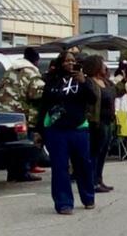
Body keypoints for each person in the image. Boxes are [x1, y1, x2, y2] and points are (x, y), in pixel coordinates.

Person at [35, 50, 96, 215]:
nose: (70, 63)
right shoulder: (52, 81)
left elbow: (93, 99)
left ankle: (88, 197)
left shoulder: (82, 80)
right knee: (60, 167)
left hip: (78, 128)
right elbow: (44, 107)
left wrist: (83, 82)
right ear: (60, 63)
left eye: (73, 61)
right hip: (57, 130)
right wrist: (39, 130)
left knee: (83, 164)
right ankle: (64, 203)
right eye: (67, 61)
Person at [0, 46, 47, 182]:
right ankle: (22, 172)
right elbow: (36, 93)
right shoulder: (30, 72)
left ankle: (12, 172)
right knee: (25, 142)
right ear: (36, 61)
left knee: (13, 144)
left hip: (5, 111)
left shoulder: (10, 70)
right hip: (21, 112)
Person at [83, 56, 117, 193]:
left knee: (103, 152)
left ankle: (99, 179)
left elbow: (116, 92)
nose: (105, 67)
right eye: (103, 65)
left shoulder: (106, 82)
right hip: (97, 122)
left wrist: (125, 79)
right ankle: (92, 181)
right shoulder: (90, 82)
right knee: (95, 152)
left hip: (108, 121)